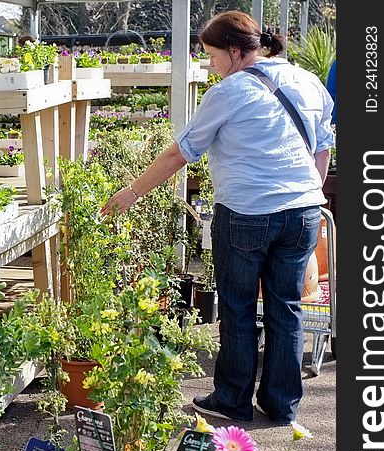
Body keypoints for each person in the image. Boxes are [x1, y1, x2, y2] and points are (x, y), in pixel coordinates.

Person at [100, 11, 335, 425]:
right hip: (302, 212)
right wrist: (306, 195)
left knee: (239, 307)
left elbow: (180, 153)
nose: (210, 66)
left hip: (247, 214)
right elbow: (322, 148)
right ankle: (282, 406)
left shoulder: (231, 92)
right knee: (286, 308)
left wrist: (132, 191)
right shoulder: (306, 81)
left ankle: (232, 400)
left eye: (211, 56)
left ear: (233, 51)